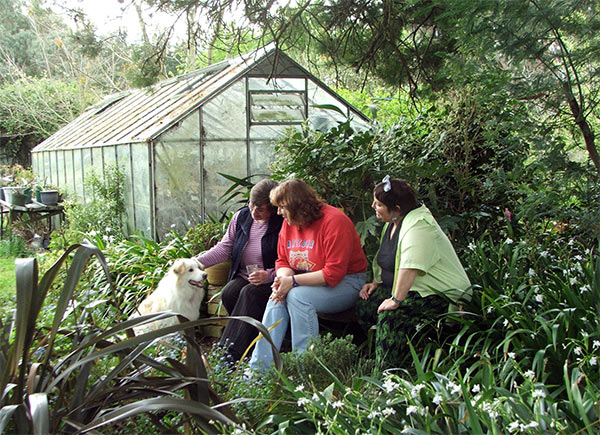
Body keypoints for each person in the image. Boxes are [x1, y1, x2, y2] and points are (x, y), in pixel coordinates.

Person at [249, 179, 367, 371]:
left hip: (347, 282)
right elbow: (283, 261)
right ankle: (258, 371)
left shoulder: (335, 222)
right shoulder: (290, 222)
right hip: (308, 280)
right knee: (277, 297)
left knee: (297, 297)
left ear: (297, 206)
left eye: (282, 207)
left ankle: (305, 368)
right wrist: (283, 280)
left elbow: (333, 274)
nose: (278, 212)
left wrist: (293, 281)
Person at [356, 176, 471, 367]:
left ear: (397, 208)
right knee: (365, 304)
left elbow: (410, 265)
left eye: (378, 204)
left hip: (439, 294)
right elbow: (386, 258)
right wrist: (376, 283)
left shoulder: (419, 226)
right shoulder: (391, 223)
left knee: (390, 317)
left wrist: (395, 300)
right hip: (410, 289)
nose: (373, 207)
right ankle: (394, 350)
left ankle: (387, 373)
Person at [196, 179, 283, 362]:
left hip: (273, 279)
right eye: (252, 205)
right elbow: (224, 248)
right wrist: (196, 263)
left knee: (249, 294)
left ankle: (227, 356)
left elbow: (290, 260)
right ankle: (249, 347)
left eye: (261, 209)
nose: (254, 212)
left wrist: (268, 275)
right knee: (230, 292)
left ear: (273, 208)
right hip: (245, 275)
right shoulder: (241, 217)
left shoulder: (281, 222)